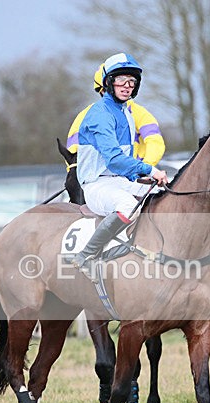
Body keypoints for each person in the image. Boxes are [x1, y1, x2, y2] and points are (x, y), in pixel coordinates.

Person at [66, 53, 168, 279]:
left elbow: (125, 162)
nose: (127, 85)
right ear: (109, 83)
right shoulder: (99, 114)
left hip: (119, 182)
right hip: (96, 185)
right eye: (121, 80)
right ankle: (86, 255)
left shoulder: (126, 113)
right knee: (126, 206)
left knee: (163, 196)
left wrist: (143, 178)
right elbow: (114, 159)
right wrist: (150, 170)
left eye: (132, 81)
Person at [66, 63, 165, 167]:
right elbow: (73, 151)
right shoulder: (87, 114)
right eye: (105, 91)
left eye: (130, 81)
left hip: (136, 175)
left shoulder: (140, 113)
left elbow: (155, 142)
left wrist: (146, 167)